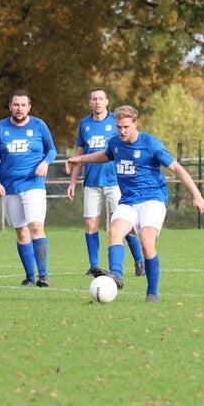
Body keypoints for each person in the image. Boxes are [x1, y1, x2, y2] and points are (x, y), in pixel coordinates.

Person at [65, 105, 204, 303]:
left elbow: (176, 168)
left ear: (135, 124)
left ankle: (152, 293)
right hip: (128, 200)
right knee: (115, 232)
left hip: (152, 199)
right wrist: (79, 159)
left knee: (147, 243)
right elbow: (105, 155)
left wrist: (197, 195)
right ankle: (116, 275)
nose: (122, 131)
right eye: (118, 127)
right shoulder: (115, 143)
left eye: (126, 127)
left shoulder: (150, 144)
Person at [67, 87, 145, 277]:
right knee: (91, 223)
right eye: (94, 99)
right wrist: (73, 182)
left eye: (101, 98)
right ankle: (94, 266)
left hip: (116, 182)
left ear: (107, 101)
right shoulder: (85, 124)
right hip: (92, 182)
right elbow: (80, 154)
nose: (97, 102)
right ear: (90, 102)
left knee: (125, 224)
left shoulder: (116, 122)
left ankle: (139, 262)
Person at [0, 89, 57, 287]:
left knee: (35, 227)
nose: (19, 108)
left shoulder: (39, 125)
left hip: (33, 184)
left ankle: (43, 276)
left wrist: (45, 163)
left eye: (23, 105)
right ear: (10, 106)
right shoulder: (1, 127)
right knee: (21, 232)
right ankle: (29, 277)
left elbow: (51, 150)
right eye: (16, 105)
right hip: (9, 186)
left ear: (29, 107)